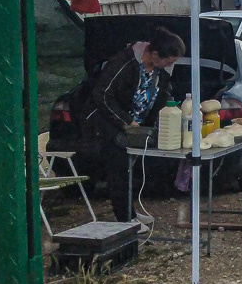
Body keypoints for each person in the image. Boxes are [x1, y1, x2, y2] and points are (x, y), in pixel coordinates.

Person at [78, 27, 186, 224]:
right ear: (154, 54)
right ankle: (125, 219)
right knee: (118, 170)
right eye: (169, 61)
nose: (171, 65)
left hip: (135, 126)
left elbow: (163, 95)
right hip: (106, 124)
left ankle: (131, 213)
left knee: (129, 169)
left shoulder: (160, 70)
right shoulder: (123, 63)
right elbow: (102, 95)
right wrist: (125, 121)